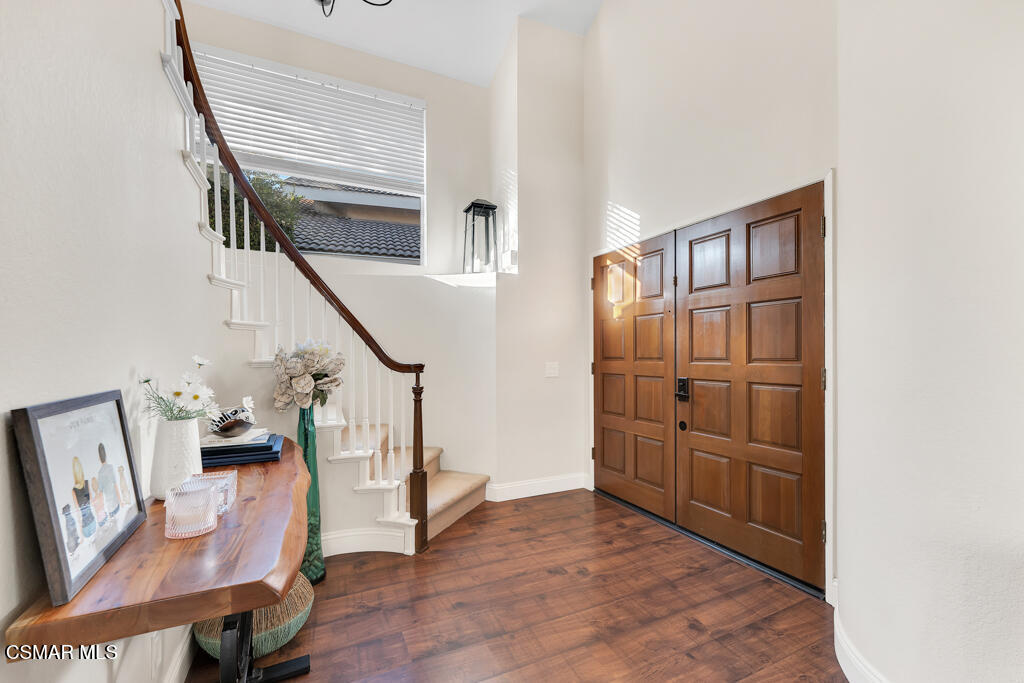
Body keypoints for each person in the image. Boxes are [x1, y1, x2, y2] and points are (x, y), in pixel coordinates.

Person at [71, 456, 96, 538]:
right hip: (93, 522)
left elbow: (77, 511)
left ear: (74, 472)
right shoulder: (86, 483)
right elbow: (92, 502)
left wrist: (80, 531)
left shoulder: (74, 490)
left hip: (85, 526)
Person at [96, 443, 120, 517]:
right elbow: (116, 485)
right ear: (106, 455)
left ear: (99, 458)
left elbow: (100, 493)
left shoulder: (100, 473)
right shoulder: (111, 468)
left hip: (109, 507)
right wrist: (120, 500)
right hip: (116, 503)